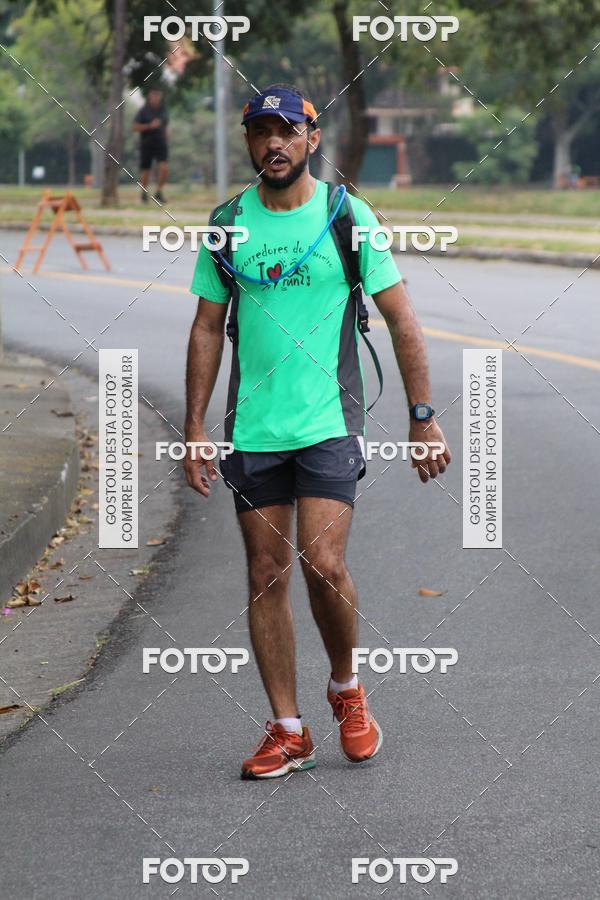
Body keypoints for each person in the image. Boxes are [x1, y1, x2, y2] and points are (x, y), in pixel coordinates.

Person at [184, 84, 451, 780]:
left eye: (285, 130)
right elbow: (208, 327)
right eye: (259, 131)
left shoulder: (347, 217)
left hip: (331, 422)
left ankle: (345, 689)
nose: (272, 143)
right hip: (255, 428)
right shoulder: (227, 224)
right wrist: (193, 427)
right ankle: (288, 728)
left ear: (311, 138)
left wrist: (423, 417)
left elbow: (402, 318)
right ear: (248, 142)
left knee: (323, 564)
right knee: (265, 571)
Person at [133, 88, 169, 204]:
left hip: (160, 143)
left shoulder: (163, 110)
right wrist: (149, 126)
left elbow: (166, 124)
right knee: (146, 171)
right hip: (147, 144)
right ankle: (143, 193)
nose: (156, 98)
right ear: (149, 97)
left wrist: (167, 131)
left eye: (158, 95)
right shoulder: (143, 111)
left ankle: (159, 192)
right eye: (154, 95)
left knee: (164, 168)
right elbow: (135, 127)